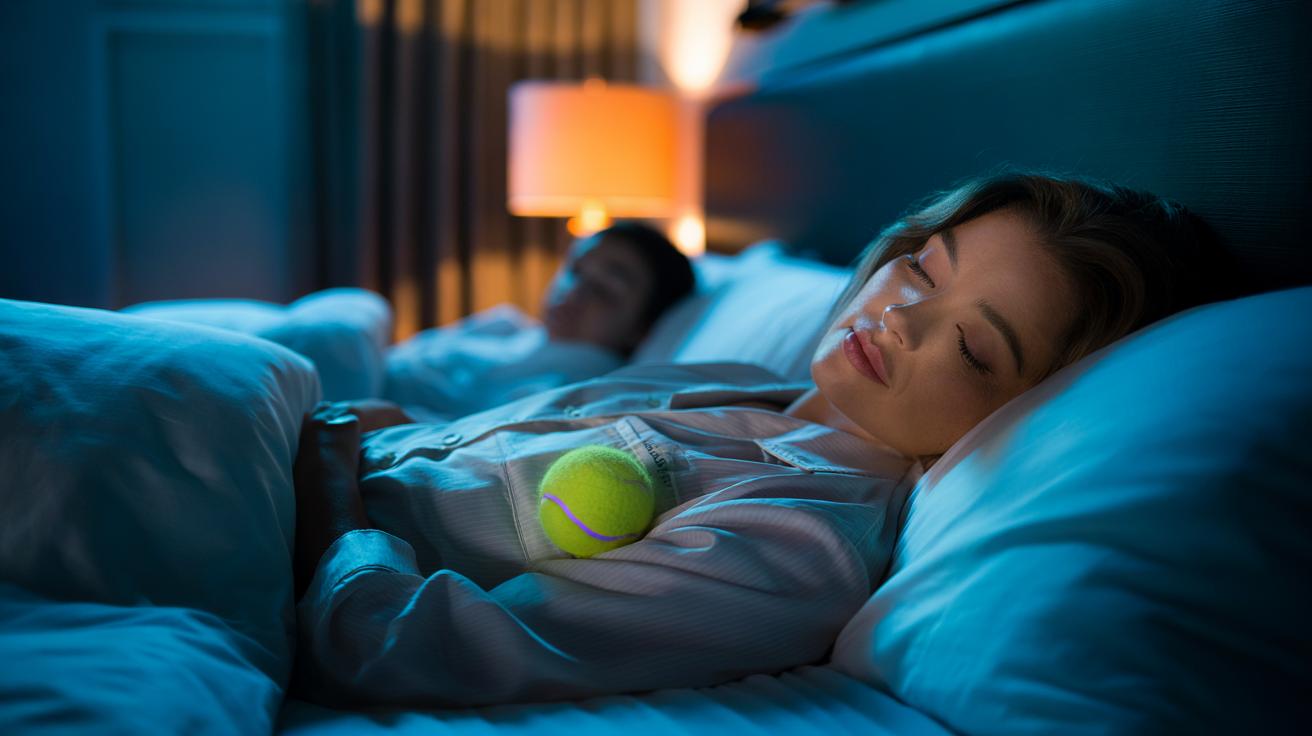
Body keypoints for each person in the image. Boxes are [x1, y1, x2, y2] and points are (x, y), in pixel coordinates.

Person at [291, 171, 1231, 708]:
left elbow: (400, 647)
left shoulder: (803, 541)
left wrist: (328, 485)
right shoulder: (746, 384)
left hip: (282, 538)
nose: (902, 315)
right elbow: (469, 455)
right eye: (920, 267)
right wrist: (389, 434)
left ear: (1022, 409)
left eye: (975, 345)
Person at [381, 222, 696, 421]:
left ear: (642, 328)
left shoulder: (577, 389)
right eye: (575, 271)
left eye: (603, 291)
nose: (572, 294)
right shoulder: (507, 326)